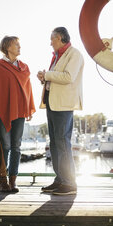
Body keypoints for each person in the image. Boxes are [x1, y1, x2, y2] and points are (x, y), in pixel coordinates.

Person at [0, 36, 36, 193]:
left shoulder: (24, 67)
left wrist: (29, 108)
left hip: (19, 110)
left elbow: (28, 90)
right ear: (7, 47)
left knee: (16, 146)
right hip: (2, 111)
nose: (19, 47)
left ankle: (13, 180)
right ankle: (3, 181)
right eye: (16, 44)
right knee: (4, 146)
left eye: (19, 44)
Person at [38, 27, 84, 195]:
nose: (50, 43)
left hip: (63, 105)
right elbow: (56, 79)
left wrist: (47, 75)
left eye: (52, 39)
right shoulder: (59, 56)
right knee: (55, 144)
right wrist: (45, 78)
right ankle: (60, 180)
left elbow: (68, 77)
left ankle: (69, 183)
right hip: (52, 103)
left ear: (59, 38)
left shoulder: (74, 54)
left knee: (63, 143)